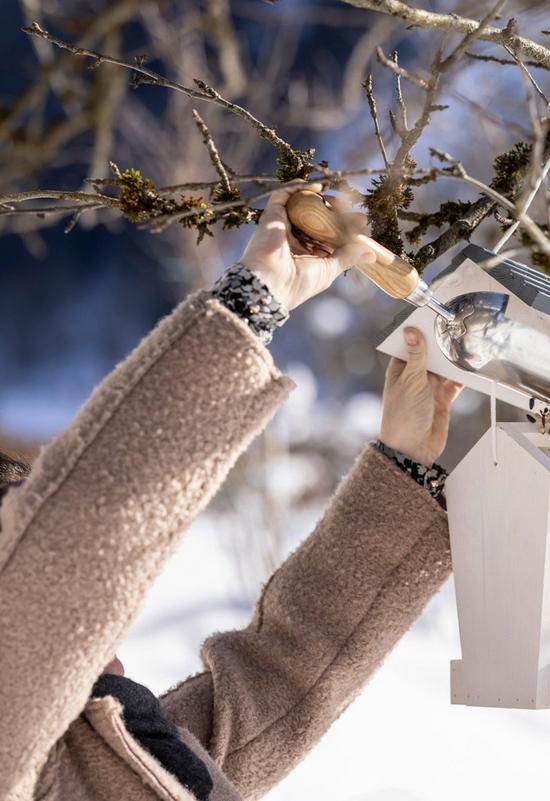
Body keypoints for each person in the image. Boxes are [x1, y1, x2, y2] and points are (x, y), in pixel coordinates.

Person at [0, 184, 463, 801]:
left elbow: (284, 681)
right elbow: (78, 541)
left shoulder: (79, 754)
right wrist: (252, 303)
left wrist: (405, 465)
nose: (92, 630)